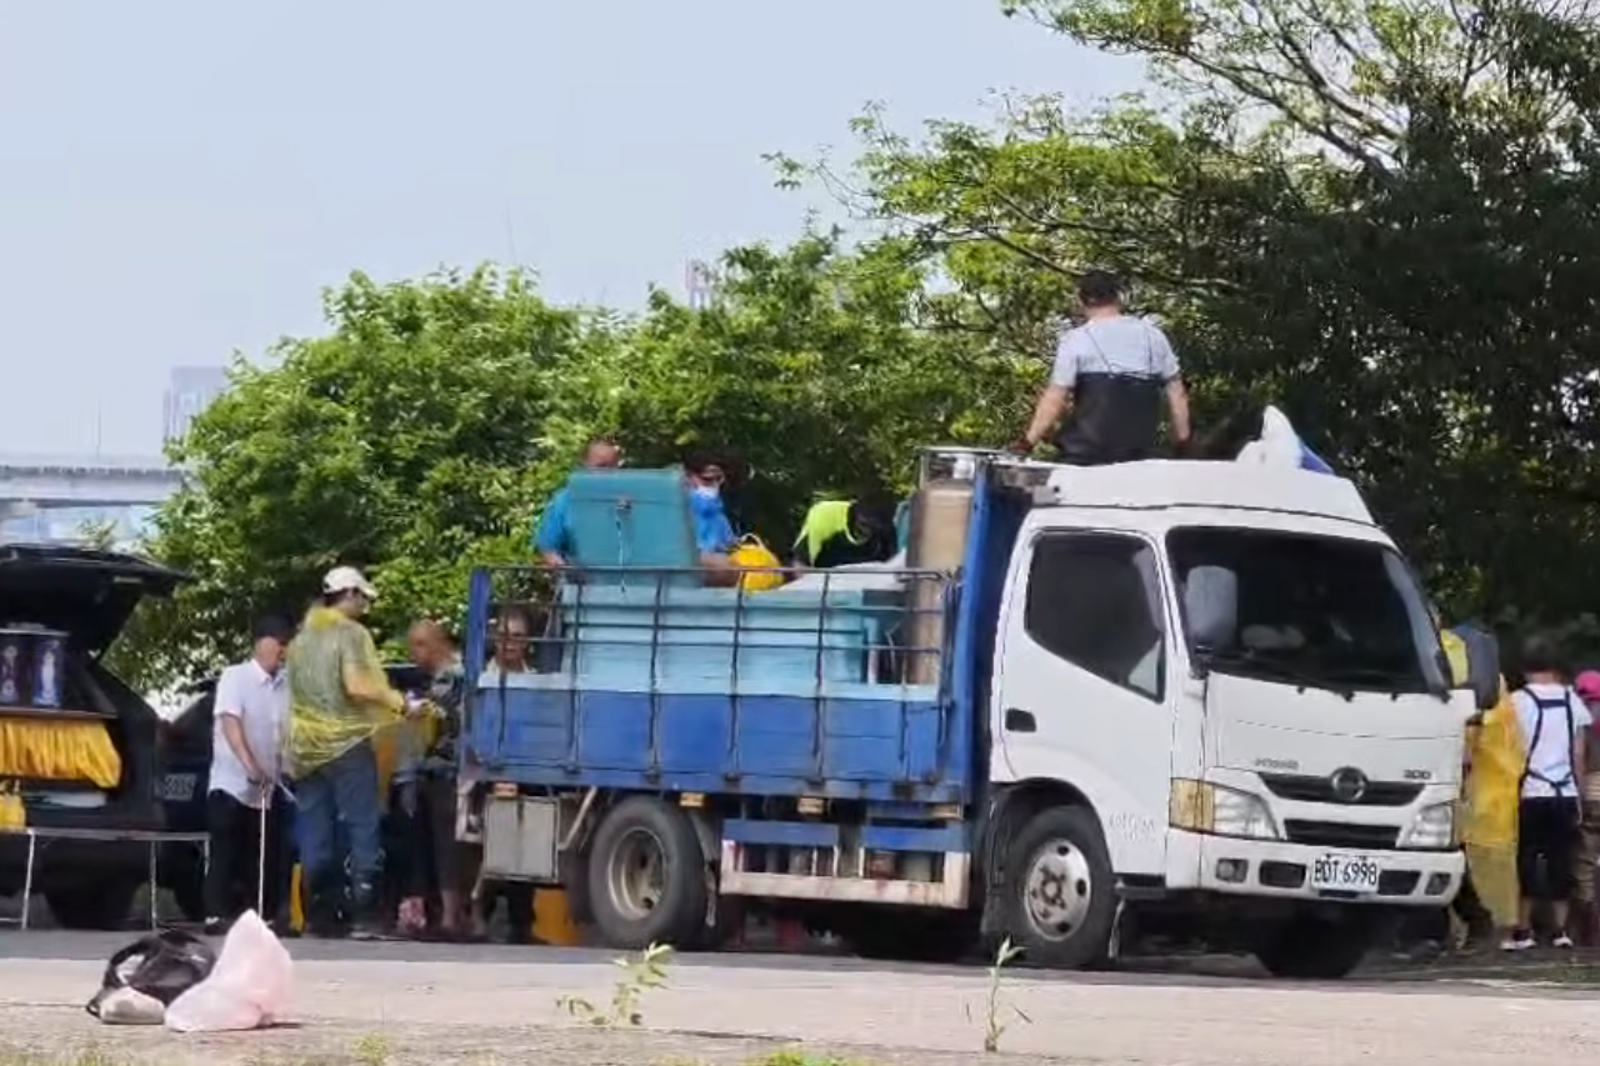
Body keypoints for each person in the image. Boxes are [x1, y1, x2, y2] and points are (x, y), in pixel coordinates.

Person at [287, 566, 419, 940]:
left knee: (315, 833)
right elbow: (358, 686)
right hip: (345, 744)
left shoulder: (300, 641)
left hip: (305, 750)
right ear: (349, 595)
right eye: (363, 597)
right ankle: (364, 916)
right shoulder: (350, 634)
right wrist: (399, 703)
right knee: (363, 825)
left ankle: (318, 916)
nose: (365, 606)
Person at [1013, 270, 1192, 464]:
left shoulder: (1076, 339)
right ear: (1118, 297)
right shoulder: (1154, 336)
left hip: (1085, 456)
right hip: (1139, 457)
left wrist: (1028, 442)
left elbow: (1056, 398)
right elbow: (1177, 394)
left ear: (1081, 300)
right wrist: (1182, 441)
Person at [204, 614, 295, 936]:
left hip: (269, 787)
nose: (283, 652)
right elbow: (231, 723)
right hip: (232, 781)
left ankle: (263, 915)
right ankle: (215, 913)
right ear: (262, 643)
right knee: (227, 844)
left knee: (264, 851)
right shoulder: (236, 677)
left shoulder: (285, 685)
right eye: (280, 644)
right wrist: (249, 766)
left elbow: (284, 731)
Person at [1507, 636, 1589, 949]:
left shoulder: (1517, 701)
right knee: (1561, 859)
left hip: (1529, 790)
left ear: (1525, 667)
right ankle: (1560, 931)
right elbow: (1578, 753)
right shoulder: (1573, 702)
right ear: (1556, 667)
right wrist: (1578, 793)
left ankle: (1523, 929)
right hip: (1563, 792)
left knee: (1525, 858)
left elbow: (1509, 751)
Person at [405, 619, 479, 941]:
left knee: (448, 845)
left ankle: (451, 917)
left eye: (419, 644)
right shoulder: (446, 675)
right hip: (445, 769)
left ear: (437, 644)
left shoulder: (452, 676)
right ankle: (454, 914)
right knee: (445, 845)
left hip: (449, 770)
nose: (414, 652)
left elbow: (444, 720)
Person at [477, 605, 538, 943]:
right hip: (489, 772)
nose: (509, 643)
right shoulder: (483, 680)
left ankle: (520, 922)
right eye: (503, 636)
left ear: (527, 642)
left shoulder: (537, 682)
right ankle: (480, 914)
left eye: (516, 637)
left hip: (528, 772)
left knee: (528, 841)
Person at [533, 438, 623, 568]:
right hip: (581, 583)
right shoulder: (565, 501)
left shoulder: (634, 498)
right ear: (585, 465)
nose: (607, 473)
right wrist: (566, 571)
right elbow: (549, 549)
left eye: (612, 467)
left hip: (632, 581)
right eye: (601, 466)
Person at [1571, 669, 1600, 942]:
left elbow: (1579, 759)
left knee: (1584, 861)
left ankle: (1589, 928)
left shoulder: (1581, 719)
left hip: (1591, 794)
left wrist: (1577, 798)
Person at [685, 450, 739, 587]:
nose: (714, 485)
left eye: (718, 479)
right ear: (689, 477)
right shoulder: (676, 510)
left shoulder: (718, 513)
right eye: (707, 479)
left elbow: (731, 546)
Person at [793, 498, 897, 570]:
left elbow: (895, 567)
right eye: (865, 525)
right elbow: (800, 563)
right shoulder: (826, 516)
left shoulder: (890, 528)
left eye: (874, 528)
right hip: (822, 580)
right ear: (856, 515)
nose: (869, 531)